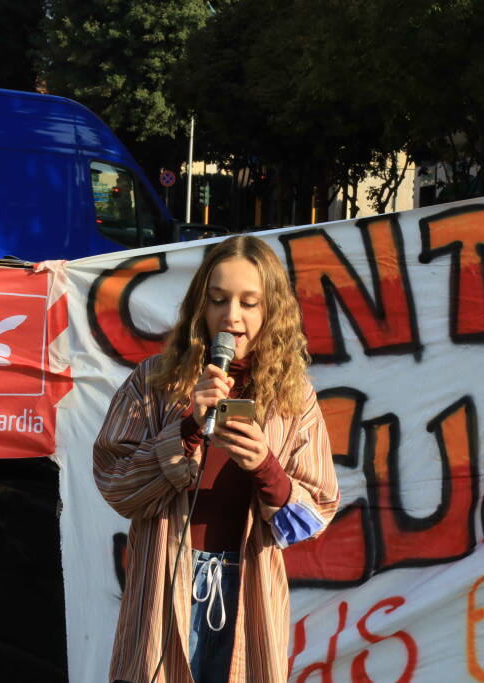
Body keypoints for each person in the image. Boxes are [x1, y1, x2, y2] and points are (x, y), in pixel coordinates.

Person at [94, 235, 339, 682]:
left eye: (250, 303)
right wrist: (186, 428)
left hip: (246, 589)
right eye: (219, 300)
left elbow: (315, 511)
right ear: (199, 308)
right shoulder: (155, 382)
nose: (232, 316)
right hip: (166, 581)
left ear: (271, 312)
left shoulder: (293, 397)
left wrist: (266, 467)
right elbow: (116, 483)